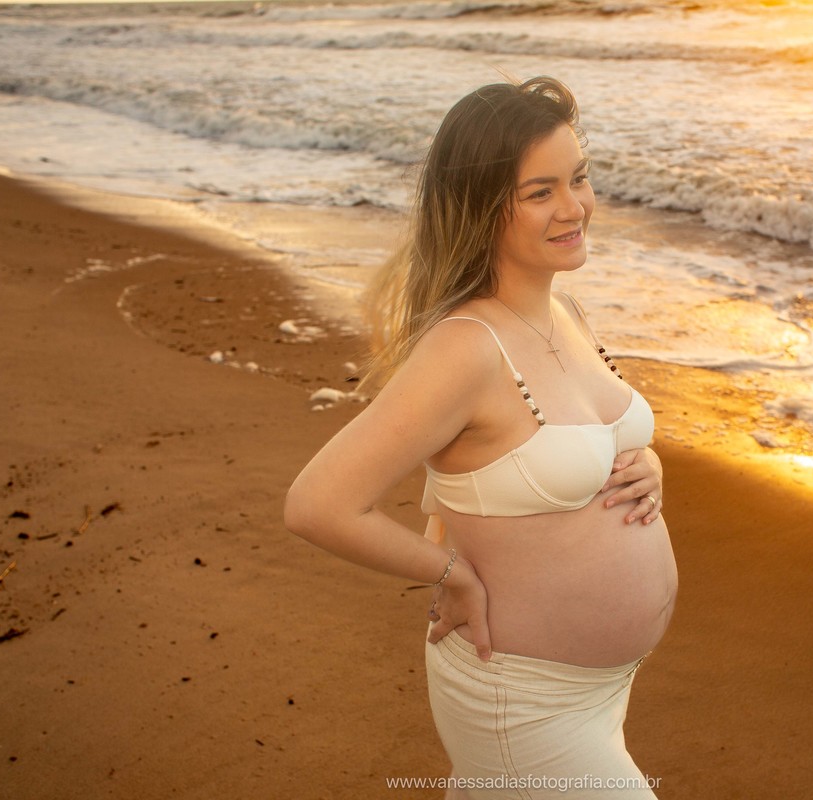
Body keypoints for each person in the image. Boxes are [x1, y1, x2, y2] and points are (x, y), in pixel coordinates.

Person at [285, 76, 677, 798]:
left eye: (579, 178)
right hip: (523, 700)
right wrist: (450, 573)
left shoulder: (567, 312)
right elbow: (318, 504)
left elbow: (566, 440)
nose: (574, 207)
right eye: (540, 192)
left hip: (599, 690)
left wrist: (643, 460)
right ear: (481, 207)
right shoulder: (464, 349)